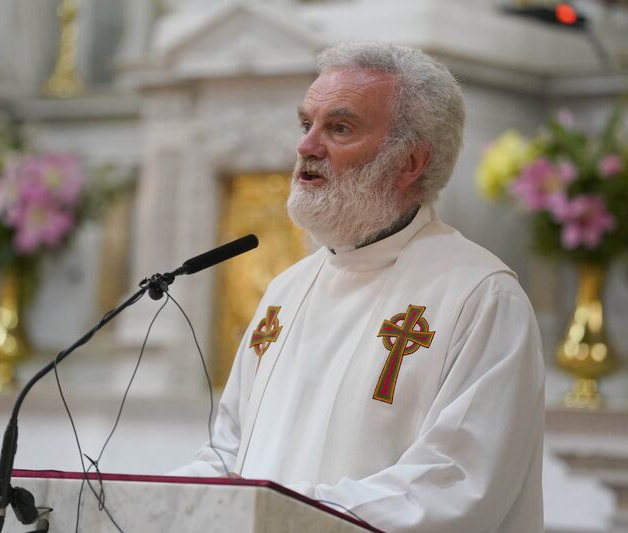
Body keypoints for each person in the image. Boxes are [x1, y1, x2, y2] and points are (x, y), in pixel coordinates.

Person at [171, 42, 545, 533]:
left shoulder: (480, 297)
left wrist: (276, 516)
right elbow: (229, 452)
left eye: (339, 128)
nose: (306, 147)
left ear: (410, 160)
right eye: (307, 124)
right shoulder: (286, 290)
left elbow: (452, 486)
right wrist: (147, 500)